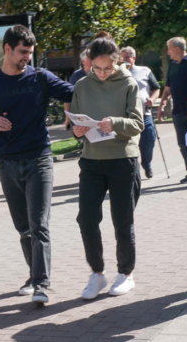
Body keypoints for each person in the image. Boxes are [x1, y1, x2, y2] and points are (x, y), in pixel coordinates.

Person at [0, 25, 74, 304]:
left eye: (30, 52)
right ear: (7, 49)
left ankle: (41, 284)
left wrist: (105, 76)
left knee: (39, 224)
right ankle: (33, 275)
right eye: (23, 52)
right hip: (8, 163)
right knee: (23, 227)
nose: (27, 57)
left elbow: (75, 93)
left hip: (39, 158)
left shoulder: (40, 78)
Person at [70, 36, 144, 300]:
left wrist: (115, 122)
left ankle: (126, 273)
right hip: (91, 161)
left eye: (107, 68)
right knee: (87, 219)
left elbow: (137, 124)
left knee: (122, 220)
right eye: (97, 68)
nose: (102, 73)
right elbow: (77, 122)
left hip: (123, 160)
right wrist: (77, 131)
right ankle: (97, 274)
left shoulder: (129, 83)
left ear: (117, 61)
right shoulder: (81, 84)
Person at [157, 37, 187, 185]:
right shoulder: (172, 66)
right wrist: (162, 105)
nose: (168, 52)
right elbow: (168, 88)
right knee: (182, 143)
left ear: (177, 49)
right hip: (178, 111)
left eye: (169, 49)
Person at [120, 46, 160, 179]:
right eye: (122, 58)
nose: (124, 60)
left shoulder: (145, 71)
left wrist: (152, 99)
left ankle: (147, 163)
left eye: (126, 57)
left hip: (145, 114)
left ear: (133, 58)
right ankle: (133, 168)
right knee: (129, 145)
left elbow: (156, 88)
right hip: (126, 116)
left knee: (148, 141)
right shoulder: (117, 73)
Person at [64, 50, 92, 130]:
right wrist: (68, 118)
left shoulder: (100, 74)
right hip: (82, 117)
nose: (93, 59)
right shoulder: (76, 76)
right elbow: (68, 97)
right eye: (90, 58)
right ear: (83, 61)